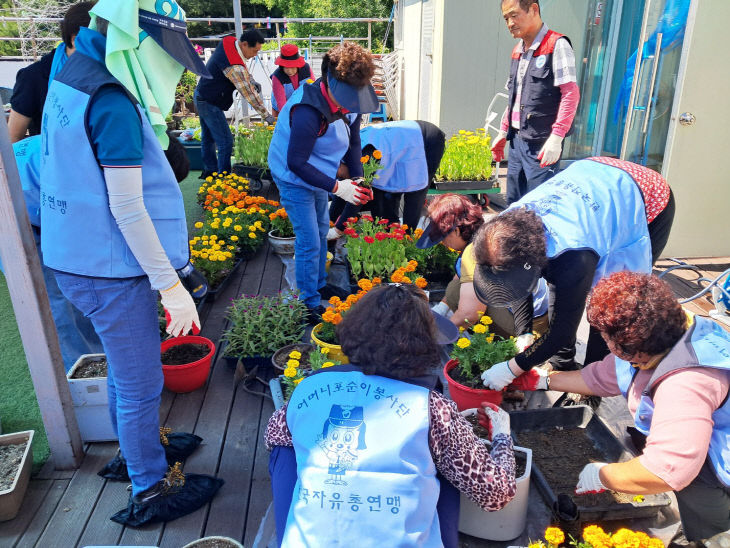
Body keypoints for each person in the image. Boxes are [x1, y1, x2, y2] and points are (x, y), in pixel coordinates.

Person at [40, 0, 222, 526]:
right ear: (131, 40)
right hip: (108, 266)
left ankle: (134, 448)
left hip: (72, 253)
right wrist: (171, 285)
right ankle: (148, 484)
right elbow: (126, 205)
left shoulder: (71, 65)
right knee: (141, 383)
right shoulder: (112, 98)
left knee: (125, 369)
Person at [266, 283, 516, 547]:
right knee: (445, 460)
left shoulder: (309, 388)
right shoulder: (432, 408)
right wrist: (501, 436)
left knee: (285, 446)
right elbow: (495, 494)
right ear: (423, 345)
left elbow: (274, 435)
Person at [510, 272, 730, 542]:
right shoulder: (665, 331)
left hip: (719, 466)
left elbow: (668, 468)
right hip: (697, 437)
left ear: (633, 350)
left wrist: (603, 474)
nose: (604, 343)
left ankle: (708, 536)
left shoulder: (685, 384)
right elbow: (603, 376)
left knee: (711, 527)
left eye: (607, 339)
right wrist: (542, 381)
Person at [475, 157, 675, 390]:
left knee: (610, 302)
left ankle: (592, 381)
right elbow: (518, 284)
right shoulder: (502, 228)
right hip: (590, 176)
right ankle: (563, 363)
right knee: (561, 285)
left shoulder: (575, 256)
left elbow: (563, 329)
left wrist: (513, 368)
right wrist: (524, 332)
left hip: (644, 195)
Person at [268, 41, 378, 322]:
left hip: (318, 171)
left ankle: (316, 285)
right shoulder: (307, 110)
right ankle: (307, 302)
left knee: (319, 230)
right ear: (331, 81)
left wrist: (357, 179)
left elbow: (354, 141)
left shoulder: (350, 98)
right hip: (293, 176)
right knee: (309, 240)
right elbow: (296, 163)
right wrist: (337, 187)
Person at [416, 193, 548, 339]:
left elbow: (469, 315)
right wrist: (441, 308)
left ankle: (499, 342)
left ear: (456, 231)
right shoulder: (485, 233)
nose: (442, 242)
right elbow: (462, 274)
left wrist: (433, 336)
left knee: (461, 298)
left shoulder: (474, 252)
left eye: (443, 237)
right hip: (538, 316)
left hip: (528, 326)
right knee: (455, 289)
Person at [491, 0, 580, 204]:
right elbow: (514, 97)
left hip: (542, 142)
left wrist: (556, 137)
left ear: (534, 9)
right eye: (506, 18)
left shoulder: (557, 45)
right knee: (514, 201)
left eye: (514, 15)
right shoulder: (518, 50)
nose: (510, 23)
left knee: (538, 205)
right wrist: (503, 132)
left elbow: (570, 93)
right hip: (517, 142)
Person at [328, 120, 446, 237]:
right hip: (399, 144)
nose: (339, 178)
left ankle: (407, 238)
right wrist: (330, 221)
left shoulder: (364, 154)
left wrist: (338, 230)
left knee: (415, 192)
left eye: (339, 175)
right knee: (384, 190)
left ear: (340, 163)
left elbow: (359, 194)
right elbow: (342, 194)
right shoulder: (345, 157)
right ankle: (389, 232)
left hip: (426, 140)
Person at [7, 1, 93, 143]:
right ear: (76, 40)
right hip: (46, 160)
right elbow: (13, 137)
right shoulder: (33, 77)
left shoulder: (107, 70)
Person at [194, 29, 274, 179]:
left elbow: (243, 68)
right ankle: (224, 178)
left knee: (208, 137)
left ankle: (210, 171)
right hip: (209, 102)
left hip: (201, 94)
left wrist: (251, 80)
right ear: (244, 44)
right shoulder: (233, 65)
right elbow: (248, 93)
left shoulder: (229, 41)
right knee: (225, 141)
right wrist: (267, 115)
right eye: (255, 50)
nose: (255, 55)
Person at [270, 43, 312, 116]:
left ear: (298, 65)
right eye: (286, 67)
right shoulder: (277, 77)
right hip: (281, 109)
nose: (289, 71)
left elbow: (311, 90)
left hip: (302, 106)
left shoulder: (306, 69)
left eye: (292, 67)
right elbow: (281, 104)